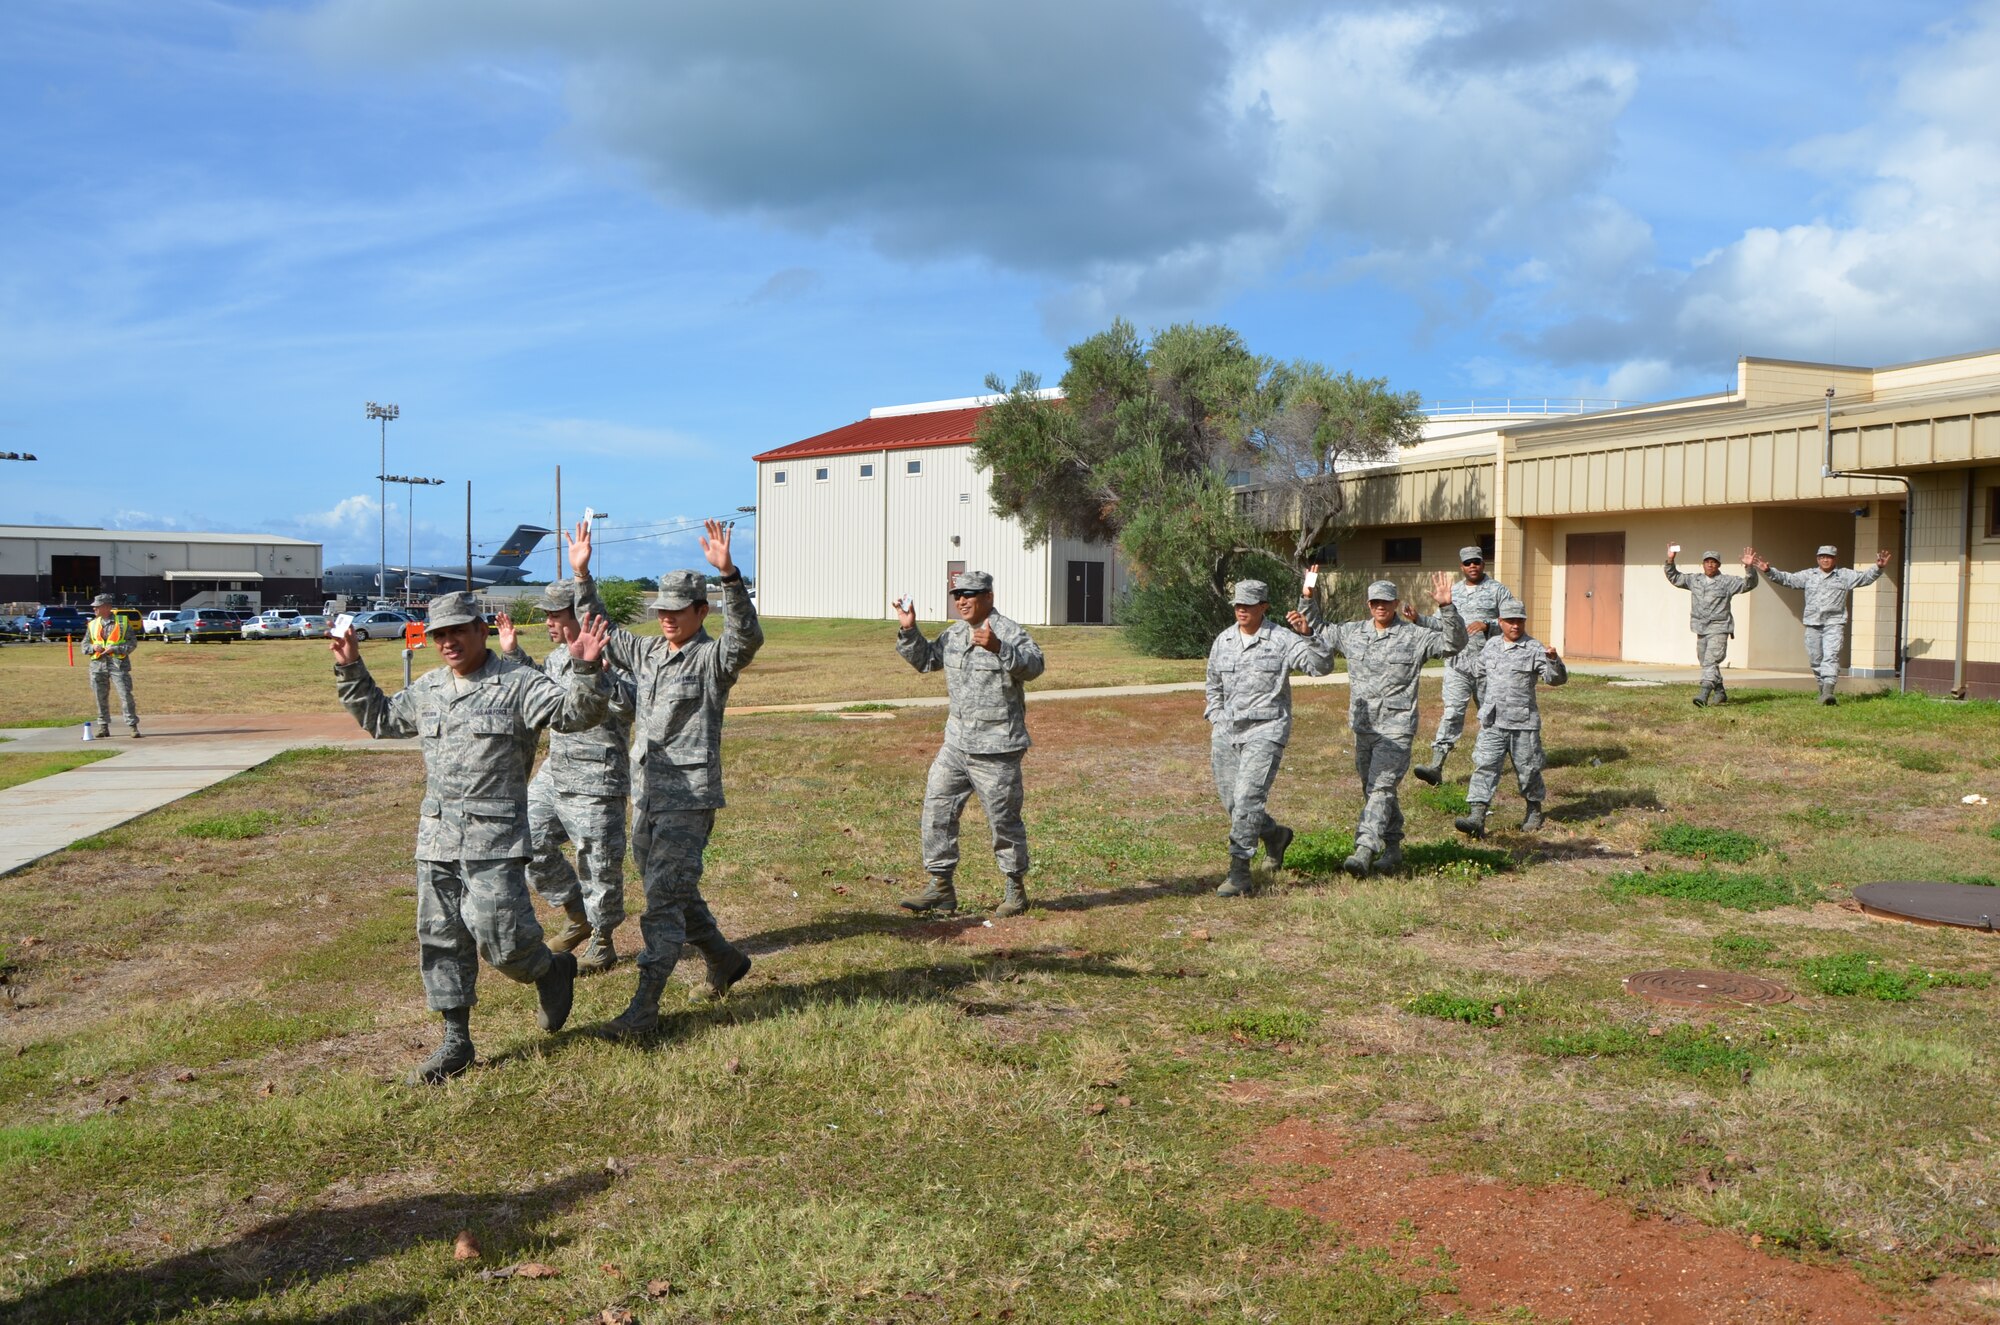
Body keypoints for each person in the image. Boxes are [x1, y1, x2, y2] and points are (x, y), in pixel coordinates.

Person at [331, 590, 611, 1085]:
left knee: (503, 944)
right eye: (439, 634)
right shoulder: (431, 688)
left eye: (458, 630)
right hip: (437, 837)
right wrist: (351, 669)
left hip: (495, 840)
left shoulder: (518, 684)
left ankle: (550, 971)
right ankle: (456, 1041)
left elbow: (576, 716)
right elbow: (381, 720)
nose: (448, 641)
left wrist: (587, 671)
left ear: (481, 630)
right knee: (440, 939)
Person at [569, 518, 763, 1037]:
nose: (668, 619)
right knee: (673, 890)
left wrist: (730, 577)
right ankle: (723, 958)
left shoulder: (712, 659)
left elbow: (746, 639)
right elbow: (602, 631)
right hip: (648, 794)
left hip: (688, 799)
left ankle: (644, 1009)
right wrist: (583, 578)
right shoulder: (651, 653)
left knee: (661, 902)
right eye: (662, 611)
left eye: (678, 611)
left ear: (701, 612)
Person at [497, 583, 639, 975]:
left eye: (555, 615)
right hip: (556, 772)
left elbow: (630, 707)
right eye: (546, 615)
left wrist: (600, 674)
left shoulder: (613, 654)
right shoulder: (559, 657)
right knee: (526, 840)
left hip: (597, 778)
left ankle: (602, 938)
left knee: (598, 862)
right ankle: (578, 914)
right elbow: (540, 688)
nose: (547, 622)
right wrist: (512, 653)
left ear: (580, 615)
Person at [1291, 570, 1465, 876]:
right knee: (1374, 790)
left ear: (1396, 603)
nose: (1380, 607)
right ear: (1368, 604)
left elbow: (1454, 643)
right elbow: (1318, 630)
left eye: (1385, 601)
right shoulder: (1353, 633)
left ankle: (1365, 848)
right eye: (1374, 602)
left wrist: (1447, 608)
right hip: (1365, 726)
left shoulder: (1414, 636)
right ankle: (1394, 847)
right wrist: (1307, 595)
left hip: (1396, 729)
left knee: (1381, 787)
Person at [894, 570, 1046, 917]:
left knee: (1003, 822)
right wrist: (908, 629)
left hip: (997, 747)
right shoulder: (953, 634)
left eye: (970, 594)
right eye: (957, 595)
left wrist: (999, 648)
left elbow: (1035, 666)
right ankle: (940, 887)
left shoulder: (1007, 631)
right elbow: (926, 660)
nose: (961, 600)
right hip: (957, 744)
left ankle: (1015, 890)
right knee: (936, 811)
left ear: (988, 597)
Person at [1204, 579, 1335, 897]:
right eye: (1238, 605)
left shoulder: (1282, 639)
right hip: (1228, 732)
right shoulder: (1224, 640)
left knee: (1248, 800)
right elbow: (1213, 684)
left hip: (1266, 731)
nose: (1241, 610)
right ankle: (1275, 835)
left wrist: (1308, 635)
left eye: (1248, 605)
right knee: (1234, 804)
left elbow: (1321, 667)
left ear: (1263, 607)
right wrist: (1217, 716)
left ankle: (1239, 874)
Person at [1453, 597, 1567, 838]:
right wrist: (1451, 654)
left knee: (1529, 770)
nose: (1516, 625)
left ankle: (1534, 809)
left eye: (1520, 621)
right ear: (1500, 622)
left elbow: (1555, 679)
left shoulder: (1534, 648)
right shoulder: (1492, 645)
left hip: (1522, 723)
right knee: (1485, 766)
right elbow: (1476, 669)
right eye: (1510, 621)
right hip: (1493, 721)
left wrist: (1554, 661)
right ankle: (1477, 816)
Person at [1412, 547, 1512, 786]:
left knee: (1492, 716)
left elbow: (1514, 622)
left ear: (1483, 564)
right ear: (1462, 566)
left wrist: (1488, 625)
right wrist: (1418, 619)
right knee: (1452, 713)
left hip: (1489, 666)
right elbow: (1441, 624)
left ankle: (1504, 759)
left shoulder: (1498, 591)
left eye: (1476, 562)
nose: (1472, 566)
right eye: (1468, 563)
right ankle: (1436, 766)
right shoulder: (1453, 591)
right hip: (1458, 665)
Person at [1756, 546, 1892, 704]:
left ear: (1835, 559)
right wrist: (1768, 570)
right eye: (1822, 557)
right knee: (1815, 659)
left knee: (1830, 656)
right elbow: (1788, 579)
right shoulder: (1809, 575)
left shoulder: (1845, 575)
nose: (1825, 560)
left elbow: (1865, 578)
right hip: (1813, 623)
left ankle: (1828, 690)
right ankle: (1823, 691)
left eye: (1829, 557)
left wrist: (1879, 567)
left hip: (1834, 624)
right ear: (1817, 559)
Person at [1665, 545, 1759, 707]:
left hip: (1720, 627)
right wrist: (1671, 559)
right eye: (1707, 562)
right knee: (1705, 661)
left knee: (1710, 661)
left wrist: (1749, 567)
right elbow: (1675, 577)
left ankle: (1704, 694)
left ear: (1719, 565)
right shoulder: (1695, 580)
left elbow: (1749, 584)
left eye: (1714, 562)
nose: (1710, 565)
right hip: (1700, 628)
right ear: (1703, 564)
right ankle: (1720, 691)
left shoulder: (1728, 582)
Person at [84, 594, 140, 739]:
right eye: (94, 606)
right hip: (98, 666)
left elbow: (132, 644)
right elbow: (84, 645)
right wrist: (92, 647)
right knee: (100, 696)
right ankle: (103, 726)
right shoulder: (92, 624)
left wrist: (115, 648)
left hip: (118, 665)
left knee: (125, 695)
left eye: (98, 606)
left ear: (107, 607)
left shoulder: (122, 623)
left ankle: (132, 726)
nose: (94, 608)